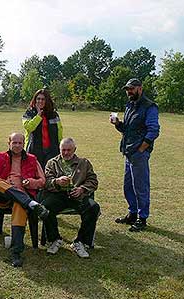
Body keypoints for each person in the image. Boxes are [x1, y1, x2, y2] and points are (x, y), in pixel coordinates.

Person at [0, 133, 49, 267]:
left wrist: (30, 182)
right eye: (14, 143)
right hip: (2, 197)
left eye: (20, 143)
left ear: (24, 143)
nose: (17, 145)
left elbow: (42, 181)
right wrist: (6, 185)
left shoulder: (32, 159)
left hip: (21, 197)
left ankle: (16, 252)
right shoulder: (0, 157)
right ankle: (31, 204)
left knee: (20, 205)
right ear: (9, 143)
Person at [110, 78, 160, 232]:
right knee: (128, 187)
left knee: (141, 187)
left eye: (131, 89)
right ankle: (132, 214)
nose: (129, 92)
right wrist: (118, 123)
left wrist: (141, 149)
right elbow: (128, 129)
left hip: (138, 154)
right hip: (128, 152)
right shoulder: (130, 106)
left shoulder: (149, 106)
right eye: (127, 89)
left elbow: (154, 130)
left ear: (140, 88)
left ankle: (142, 218)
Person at [42, 138, 100, 258]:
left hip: (77, 196)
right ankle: (54, 239)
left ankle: (80, 242)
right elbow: (46, 182)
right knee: (45, 207)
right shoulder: (52, 163)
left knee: (93, 208)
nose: (66, 153)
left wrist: (82, 189)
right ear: (59, 149)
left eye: (69, 150)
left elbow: (93, 181)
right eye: (63, 150)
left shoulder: (84, 163)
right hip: (58, 195)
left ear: (75, 149)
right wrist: (56, 182)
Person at [22, 88, 63, 169]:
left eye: (43, 99)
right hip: (34, 149)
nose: (40, 101)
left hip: (52, 149)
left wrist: (61, 147)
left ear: (47, 100)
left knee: (50, 173)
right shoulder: (29, 113)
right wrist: (38, 115)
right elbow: (29, 128)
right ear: (35, 100)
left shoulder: (54, 114)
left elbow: (59, 131)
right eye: (38, 99)